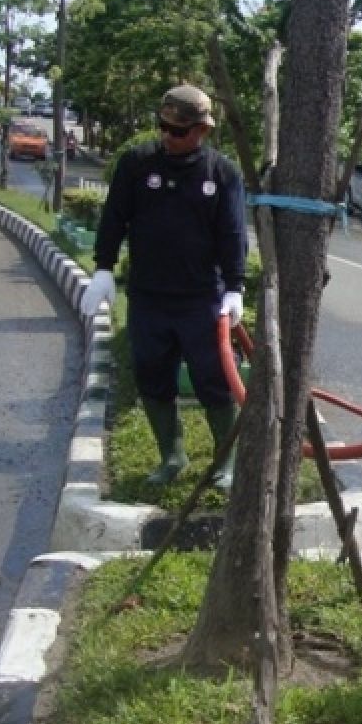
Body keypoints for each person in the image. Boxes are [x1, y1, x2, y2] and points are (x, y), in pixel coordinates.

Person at [80, 83, 247, 491]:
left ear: (201, 131)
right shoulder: (136, 164)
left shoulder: (221, 174)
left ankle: (226, 462)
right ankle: (172, 455)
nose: (168, 138)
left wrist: (235, 287)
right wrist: (103, 268)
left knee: (214, 381)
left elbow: (232, 234)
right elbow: (114, 218)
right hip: (149, 298)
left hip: (202, 298)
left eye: (178, 131)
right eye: (163, 128)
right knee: (152, 376)